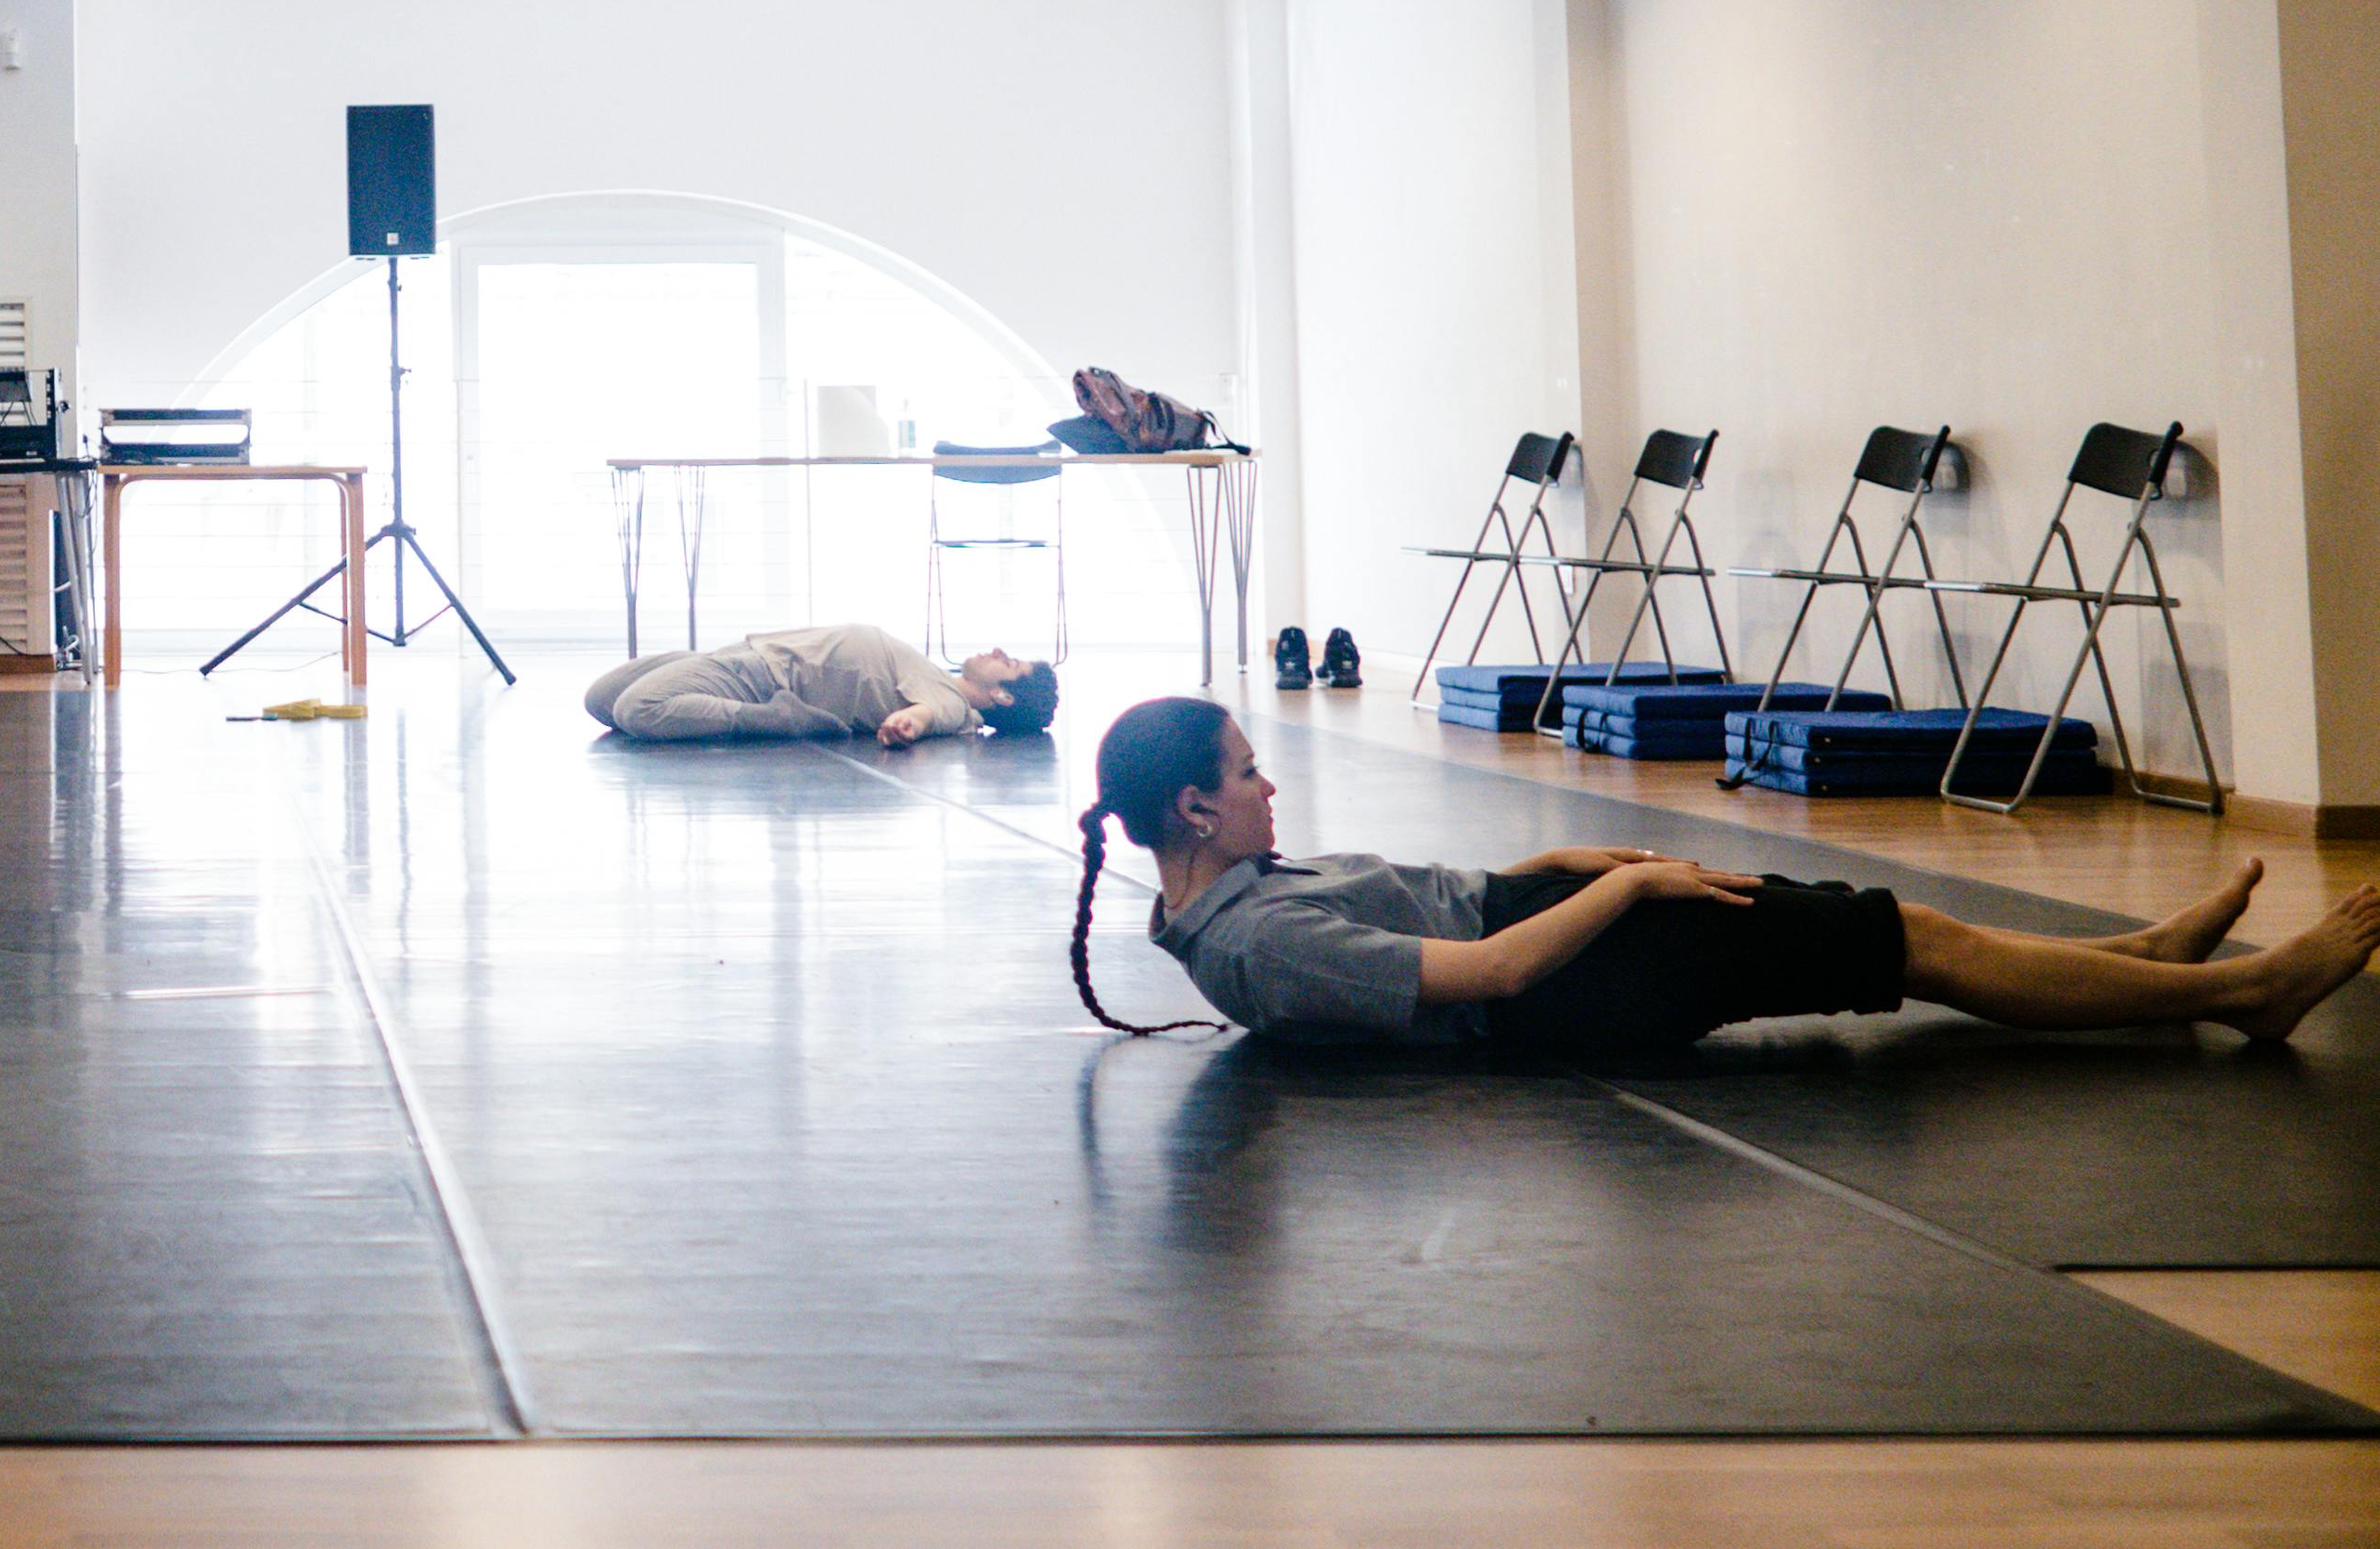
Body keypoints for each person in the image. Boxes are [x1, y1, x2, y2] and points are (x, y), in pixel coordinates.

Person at [1068, 692, 2380, 1052]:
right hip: (1566, 983)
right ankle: (2236, 995)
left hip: (1555, 924)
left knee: (1897, 923)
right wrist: (1623, 890)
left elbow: (1452, 907)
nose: (1267, 784)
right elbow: (1488, 970)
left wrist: (1557, 860)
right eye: (1246, 774)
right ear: (1192, 805)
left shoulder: (1227, 899)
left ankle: (2145, 965)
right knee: (1903, 945)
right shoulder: (1255, 945)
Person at [585, 623, 1060, 746]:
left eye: (1009, 664)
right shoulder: (939, 676)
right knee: (600, 699)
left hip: (765, 680)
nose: (998, 652)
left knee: (636, 710)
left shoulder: (954, 706)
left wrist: (903, 725)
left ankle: (772, 721)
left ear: (1002, 697)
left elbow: (922, 716)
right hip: (757, 652)